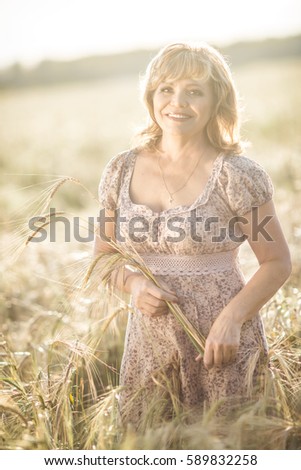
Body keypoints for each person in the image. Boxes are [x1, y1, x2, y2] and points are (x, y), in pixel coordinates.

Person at [94, 42, 292, 430]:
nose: (177, 102)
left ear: (218, 99)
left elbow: (277, 262)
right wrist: (134, 285)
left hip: (221, 343)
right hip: (150, 344)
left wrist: (232, 319)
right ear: (150, 95)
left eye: (194, 91)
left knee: (228, 441)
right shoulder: (120, 170)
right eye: (166, 89)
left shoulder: (237, 175)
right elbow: (104, 259)